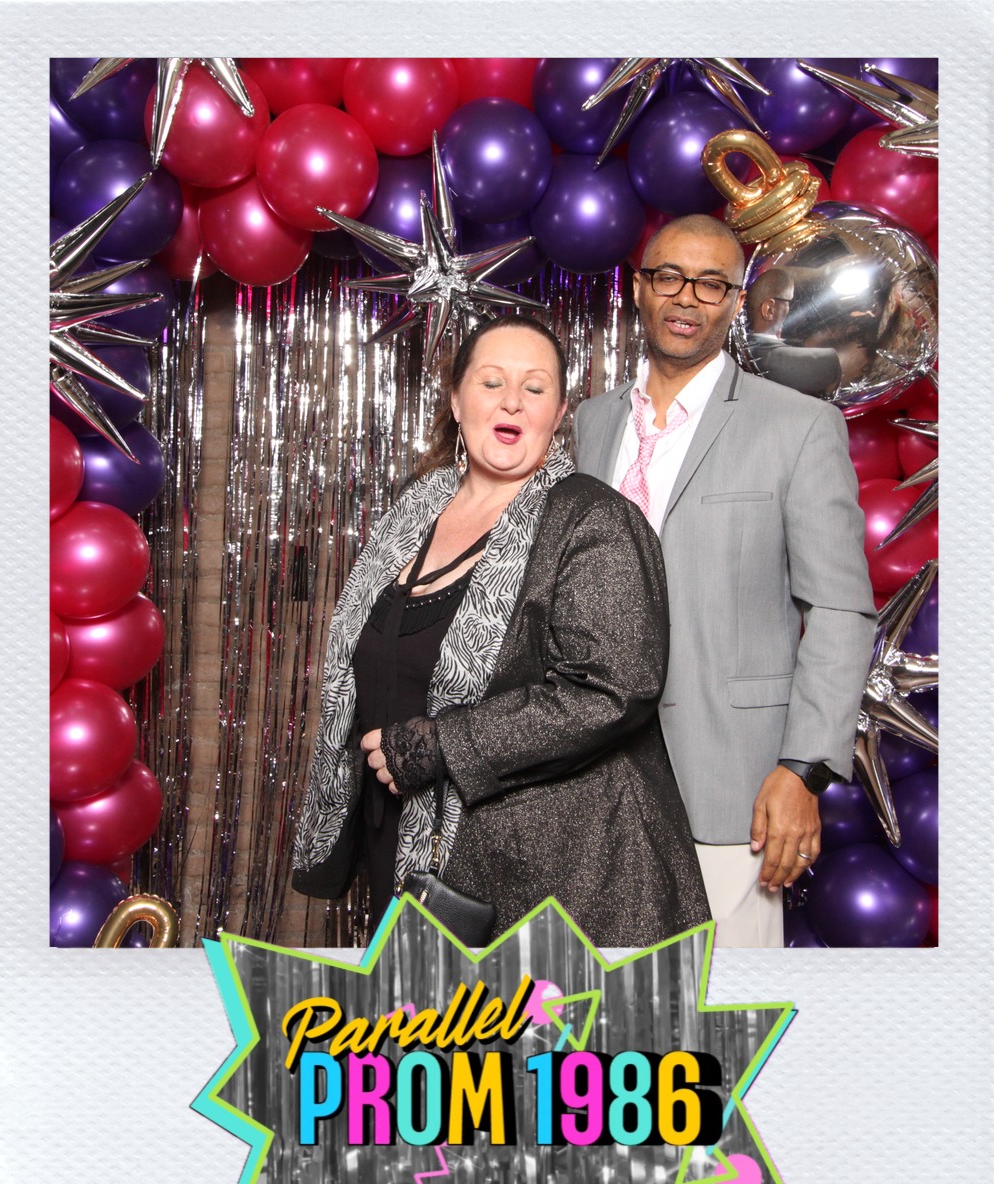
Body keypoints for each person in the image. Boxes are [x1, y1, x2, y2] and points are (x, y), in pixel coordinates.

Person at [292, 315, 711, 947]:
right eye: (492, 382)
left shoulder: (593, 521)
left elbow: (613, 690)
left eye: (534, 388)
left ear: (558, 413)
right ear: (457, 400)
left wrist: (439, 745)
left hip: (549, 871)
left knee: (506, 1018)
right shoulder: (417, 507)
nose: (512, 400)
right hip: (405, 839)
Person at [574, 215, 877, 948]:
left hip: (729, 781)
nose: (688, 297)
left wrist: (802, 769)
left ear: (738, 302)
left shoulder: (798, 426)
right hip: (589, 784)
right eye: (669, 276)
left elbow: (840, 609)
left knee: (721, 1006)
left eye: (712, 284)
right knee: (601, 1003)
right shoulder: (591, 422)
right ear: (638, 289)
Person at [744, 268, 842, 397]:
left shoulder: (735, 352)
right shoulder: (826, 362)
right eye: (790, 301)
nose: (791, 308)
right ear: (769, 309)